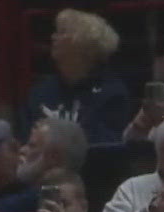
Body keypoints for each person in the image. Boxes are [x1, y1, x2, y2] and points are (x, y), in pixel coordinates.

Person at [14, 10, 129, 147]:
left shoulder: (111, 93)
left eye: (61, 32)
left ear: (84, 43)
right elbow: (25, 140)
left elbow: (106, 145)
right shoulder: (41, 91)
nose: (53, 37)